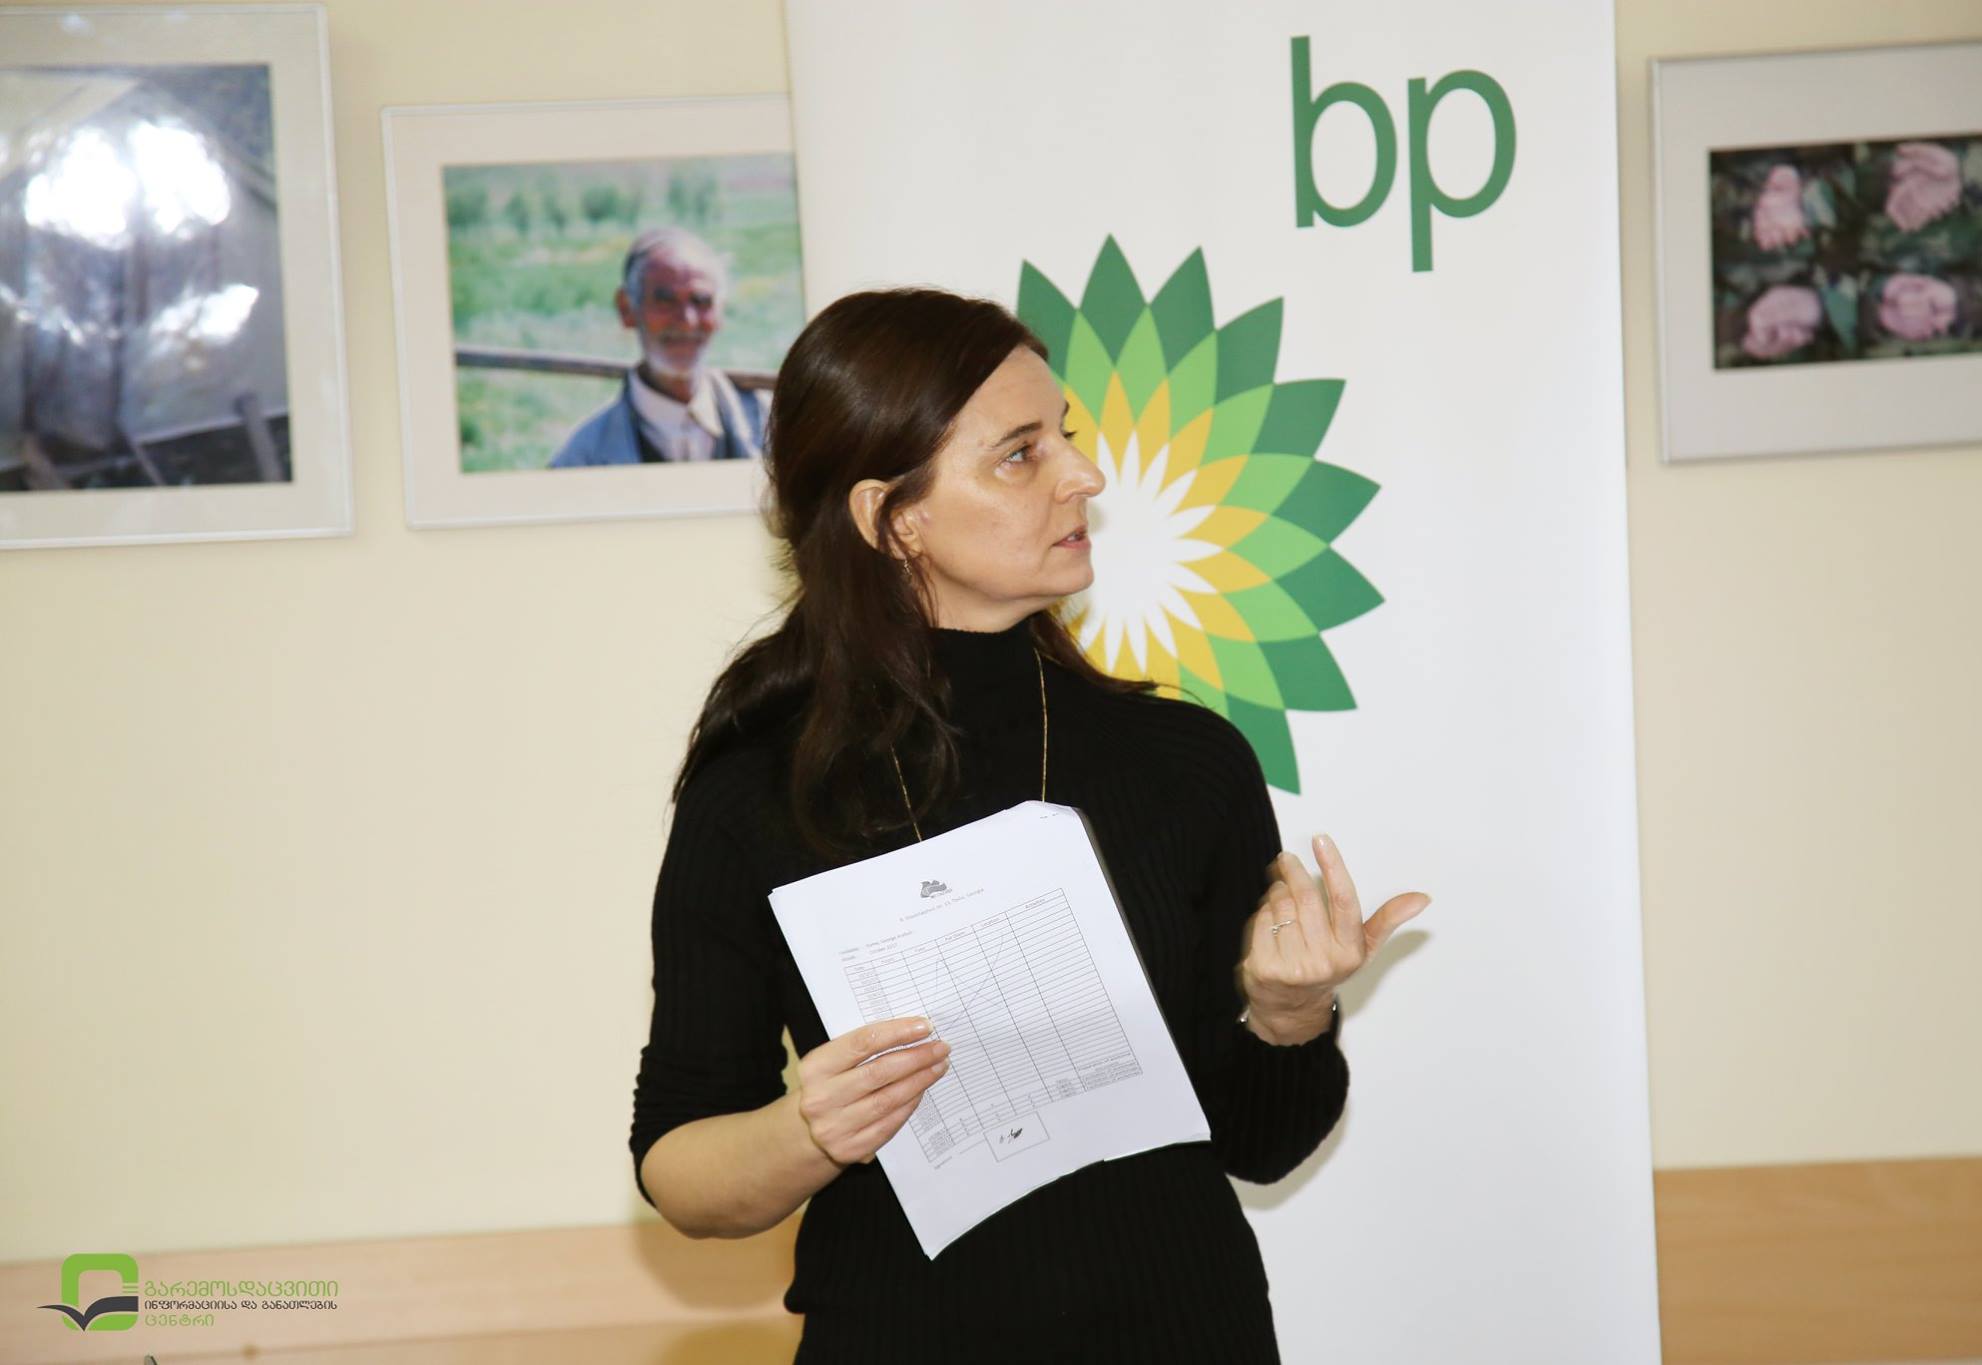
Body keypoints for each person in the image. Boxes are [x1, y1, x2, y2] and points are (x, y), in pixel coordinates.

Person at [627, 287, 1430, 1363]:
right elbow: (679, 1166)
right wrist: (807, 1131)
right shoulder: (758, 792)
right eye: (1020, 455)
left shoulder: (1185, 761)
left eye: (1065, 435)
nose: (1083, 475)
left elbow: (1262, 1144)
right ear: (891, 518)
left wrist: (1288, 1015)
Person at [549, 226, 765, 467]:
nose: (687, 320)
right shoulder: (583, 460)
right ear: (627, 309)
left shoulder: (773, 430)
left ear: (719, 311)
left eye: (701, 300)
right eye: (665, 300)